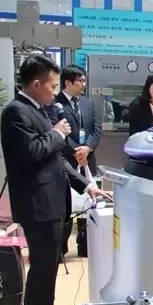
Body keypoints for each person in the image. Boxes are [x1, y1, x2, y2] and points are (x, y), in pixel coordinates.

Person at [0, 55, 109, 305]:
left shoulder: (39, 110)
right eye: (51, 85)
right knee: (42, 269)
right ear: (35, 84)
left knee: (48, 268)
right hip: (38, 204)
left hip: (51, 202)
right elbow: (32, 152)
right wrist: (58, 133)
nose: (54, 91)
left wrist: (86, 184)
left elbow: (57, 159)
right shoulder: (16, 112)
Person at [47, 64, 102, 255]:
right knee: (67, 205)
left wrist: (88, 148)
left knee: (89, 202)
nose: (84, 84)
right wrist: (76, 151)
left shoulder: (88, 103)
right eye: (81, 81)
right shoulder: (55, 104)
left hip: (88, 159)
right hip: (67, 160)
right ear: (68, 83)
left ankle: (85, 246)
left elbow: (96, 129)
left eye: (85, 80)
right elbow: (58, 131)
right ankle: (61, 247)